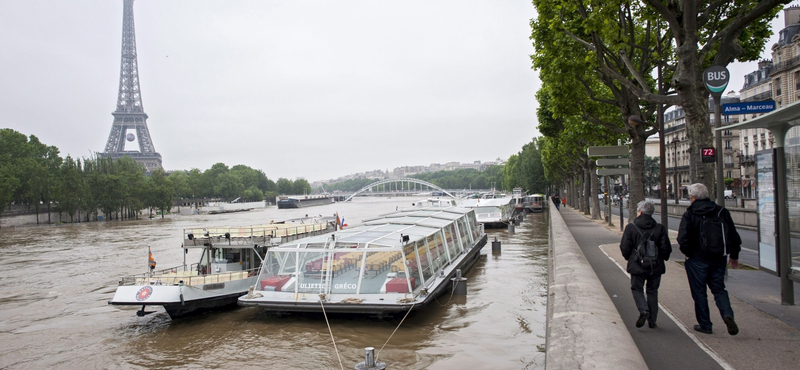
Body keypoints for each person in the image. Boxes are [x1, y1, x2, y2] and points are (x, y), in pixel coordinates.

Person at [677, 183, 742, 335]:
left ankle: (705, 324)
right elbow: (733, 236)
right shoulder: (721, 211)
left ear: (693, 197)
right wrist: (734, 256)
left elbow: (683, 238)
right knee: (719, 289)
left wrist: (688, 253)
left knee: (699, 292)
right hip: (718, 258)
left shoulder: (690, 213)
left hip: (697, 259)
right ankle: (727, 314)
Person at [619, 200, 672, 328]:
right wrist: (663, 258)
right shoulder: (659, 228)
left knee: (637, 289)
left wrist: (630, 258)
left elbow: (625, 247)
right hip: (655, 265)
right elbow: (666, 248)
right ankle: (652, 320)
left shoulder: (631, 228)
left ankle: (644, 310)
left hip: (638, 265)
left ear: (640, 212)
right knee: (652, 291)